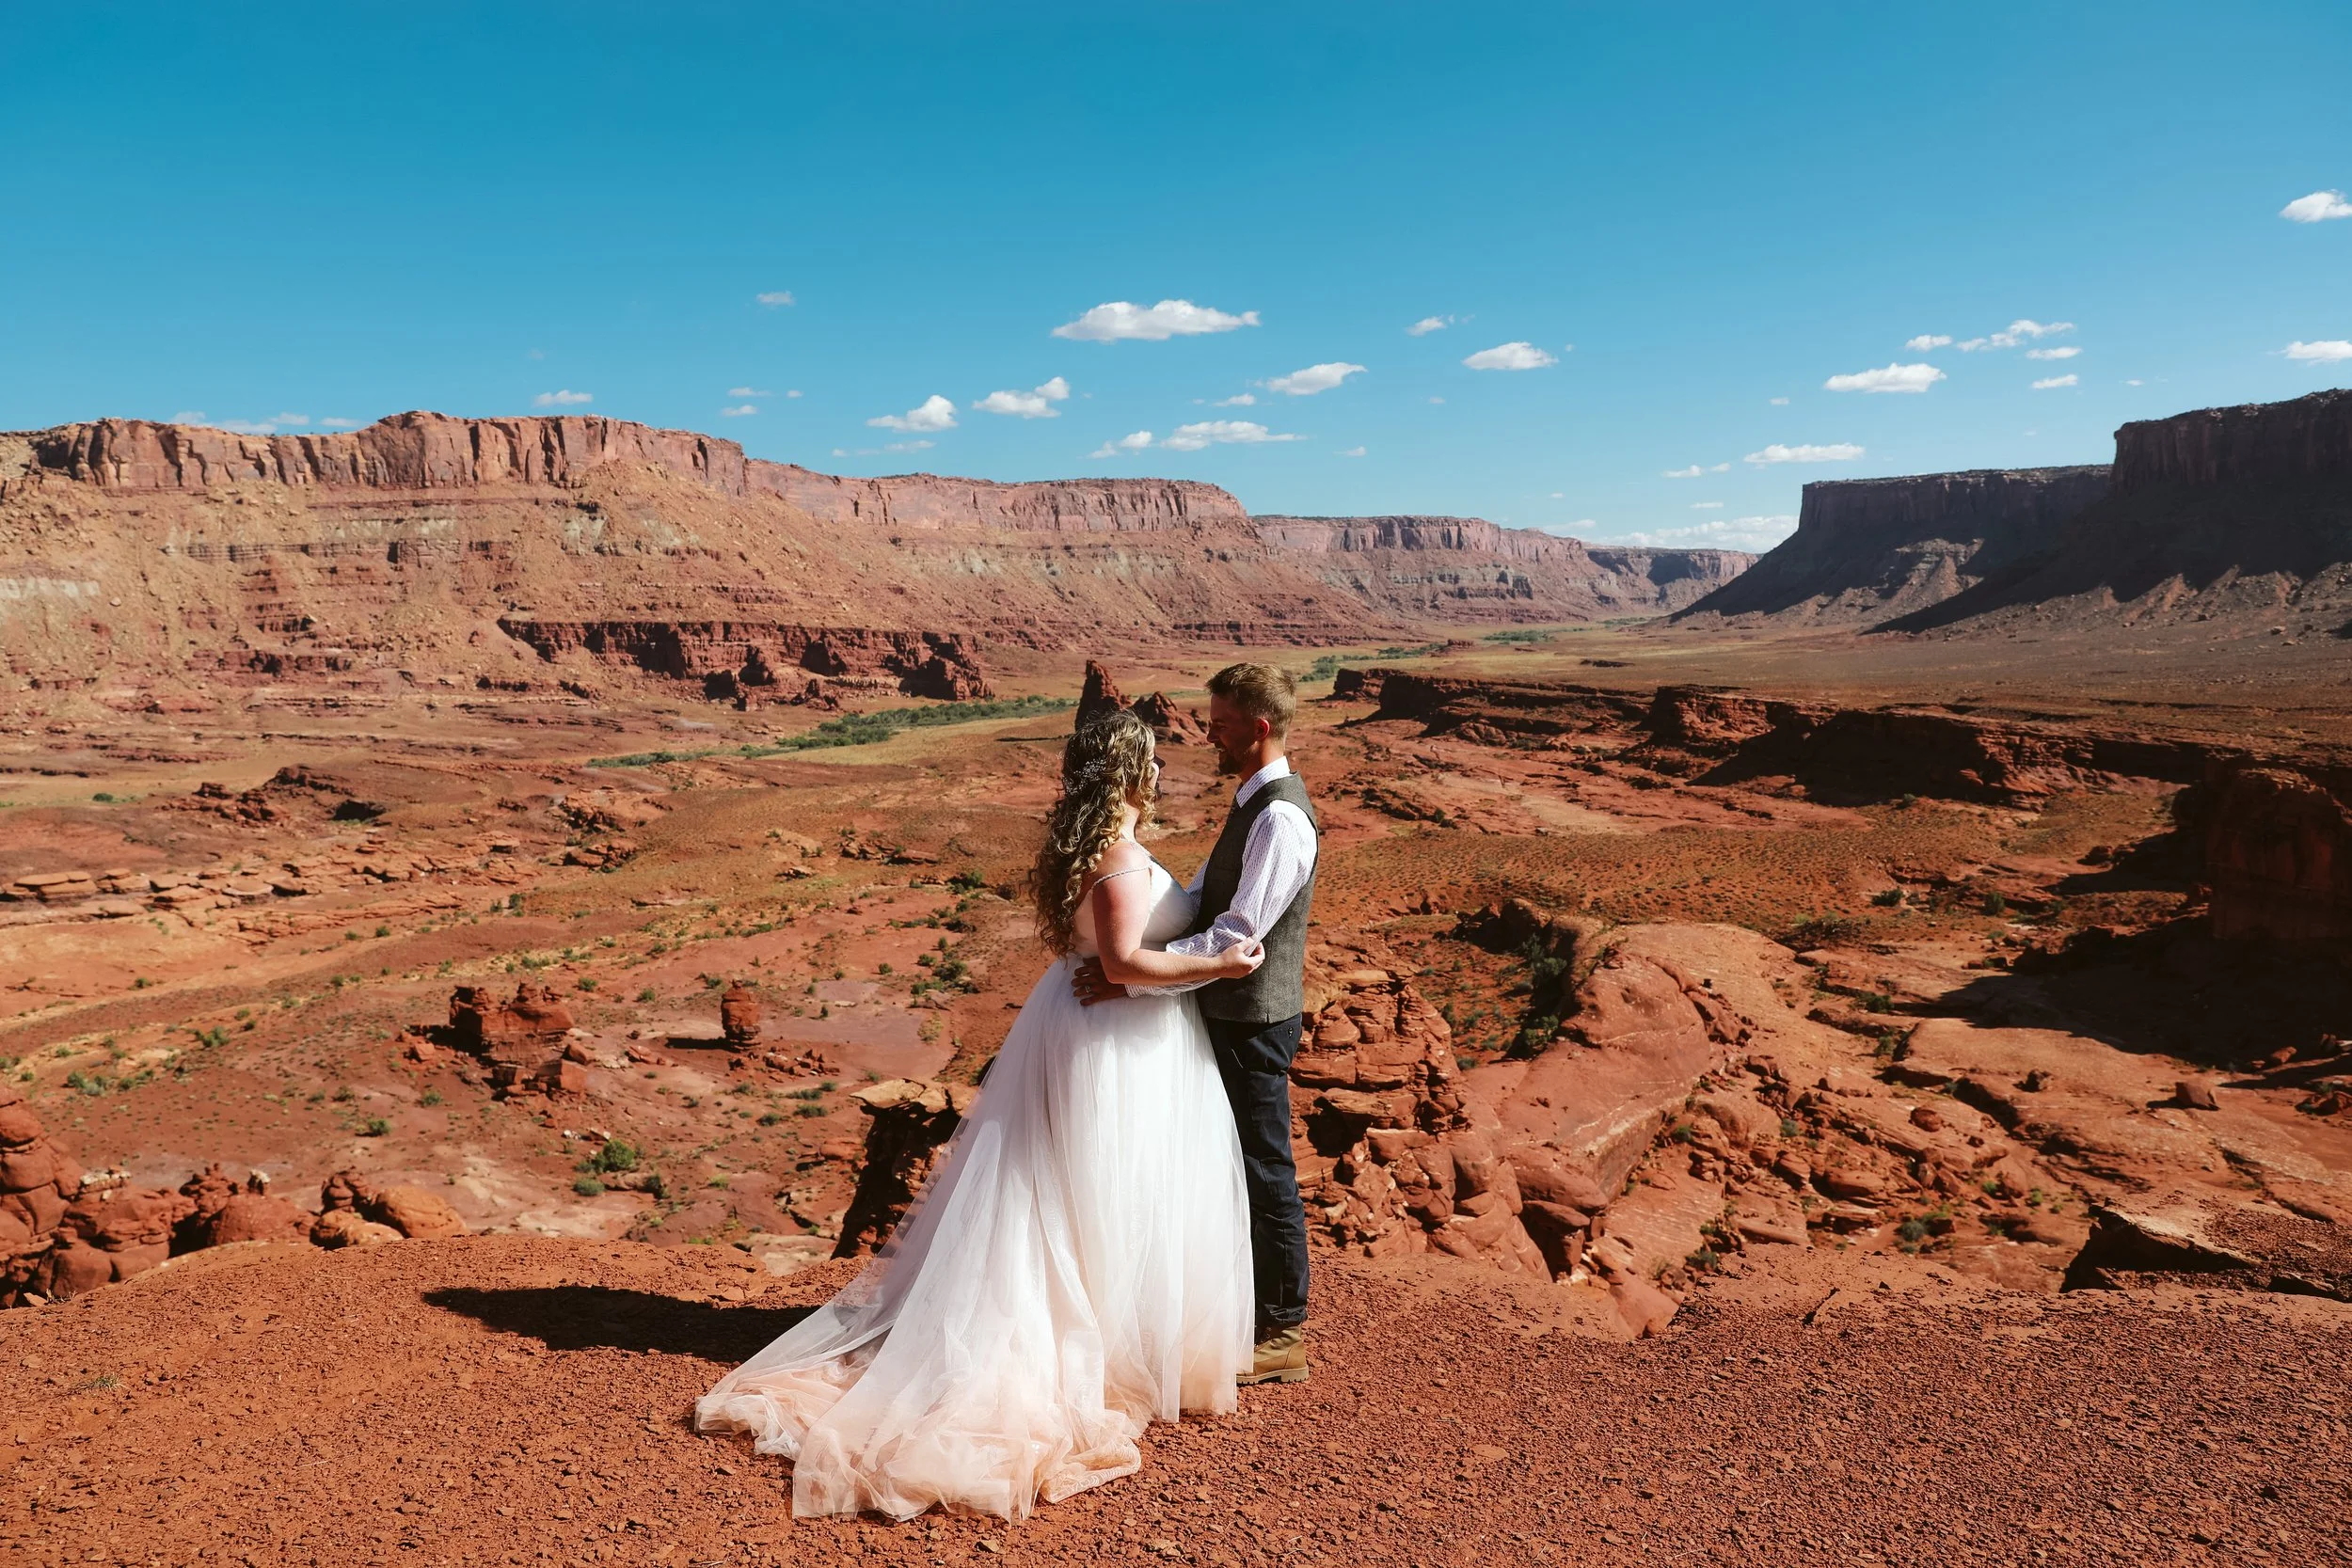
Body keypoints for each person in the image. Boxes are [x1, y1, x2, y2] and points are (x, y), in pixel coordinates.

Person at [695, 708, 1263, 1520]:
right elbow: (1123, 960)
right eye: (1155, 760)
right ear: (1131, 771)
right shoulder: (1116, 855)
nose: (1166, 771)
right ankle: (1076, 1357)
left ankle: (1107, 1343)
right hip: (1109, 1044)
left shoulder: (1099, 846)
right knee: (1086, 1196)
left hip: (1110, 1033)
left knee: (1083, 1193)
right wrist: (1219, 960)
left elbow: (1111, 958)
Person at [1073, 662, 1319, 1388]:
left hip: (1252, 1018)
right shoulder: (1252, 802)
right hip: (1228, 1012)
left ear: (1260, 726)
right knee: (1229, 1165)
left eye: (1221, 722)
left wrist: (1135, 973)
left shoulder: (1278, 818)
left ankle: (1282, 1327)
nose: (1207, 732)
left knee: (1261, 1165)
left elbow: (1236, 937)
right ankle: (1240, 1307)